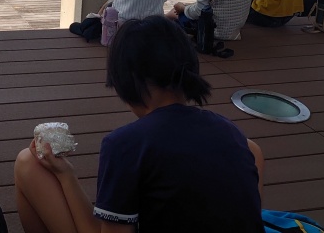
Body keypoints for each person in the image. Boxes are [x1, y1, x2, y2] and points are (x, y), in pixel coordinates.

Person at [14, 15, 264, 233]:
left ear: (126, 82)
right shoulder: (231, 133)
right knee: (251, 149)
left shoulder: (126, 145)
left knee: (27, 163)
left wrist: (66, 175)